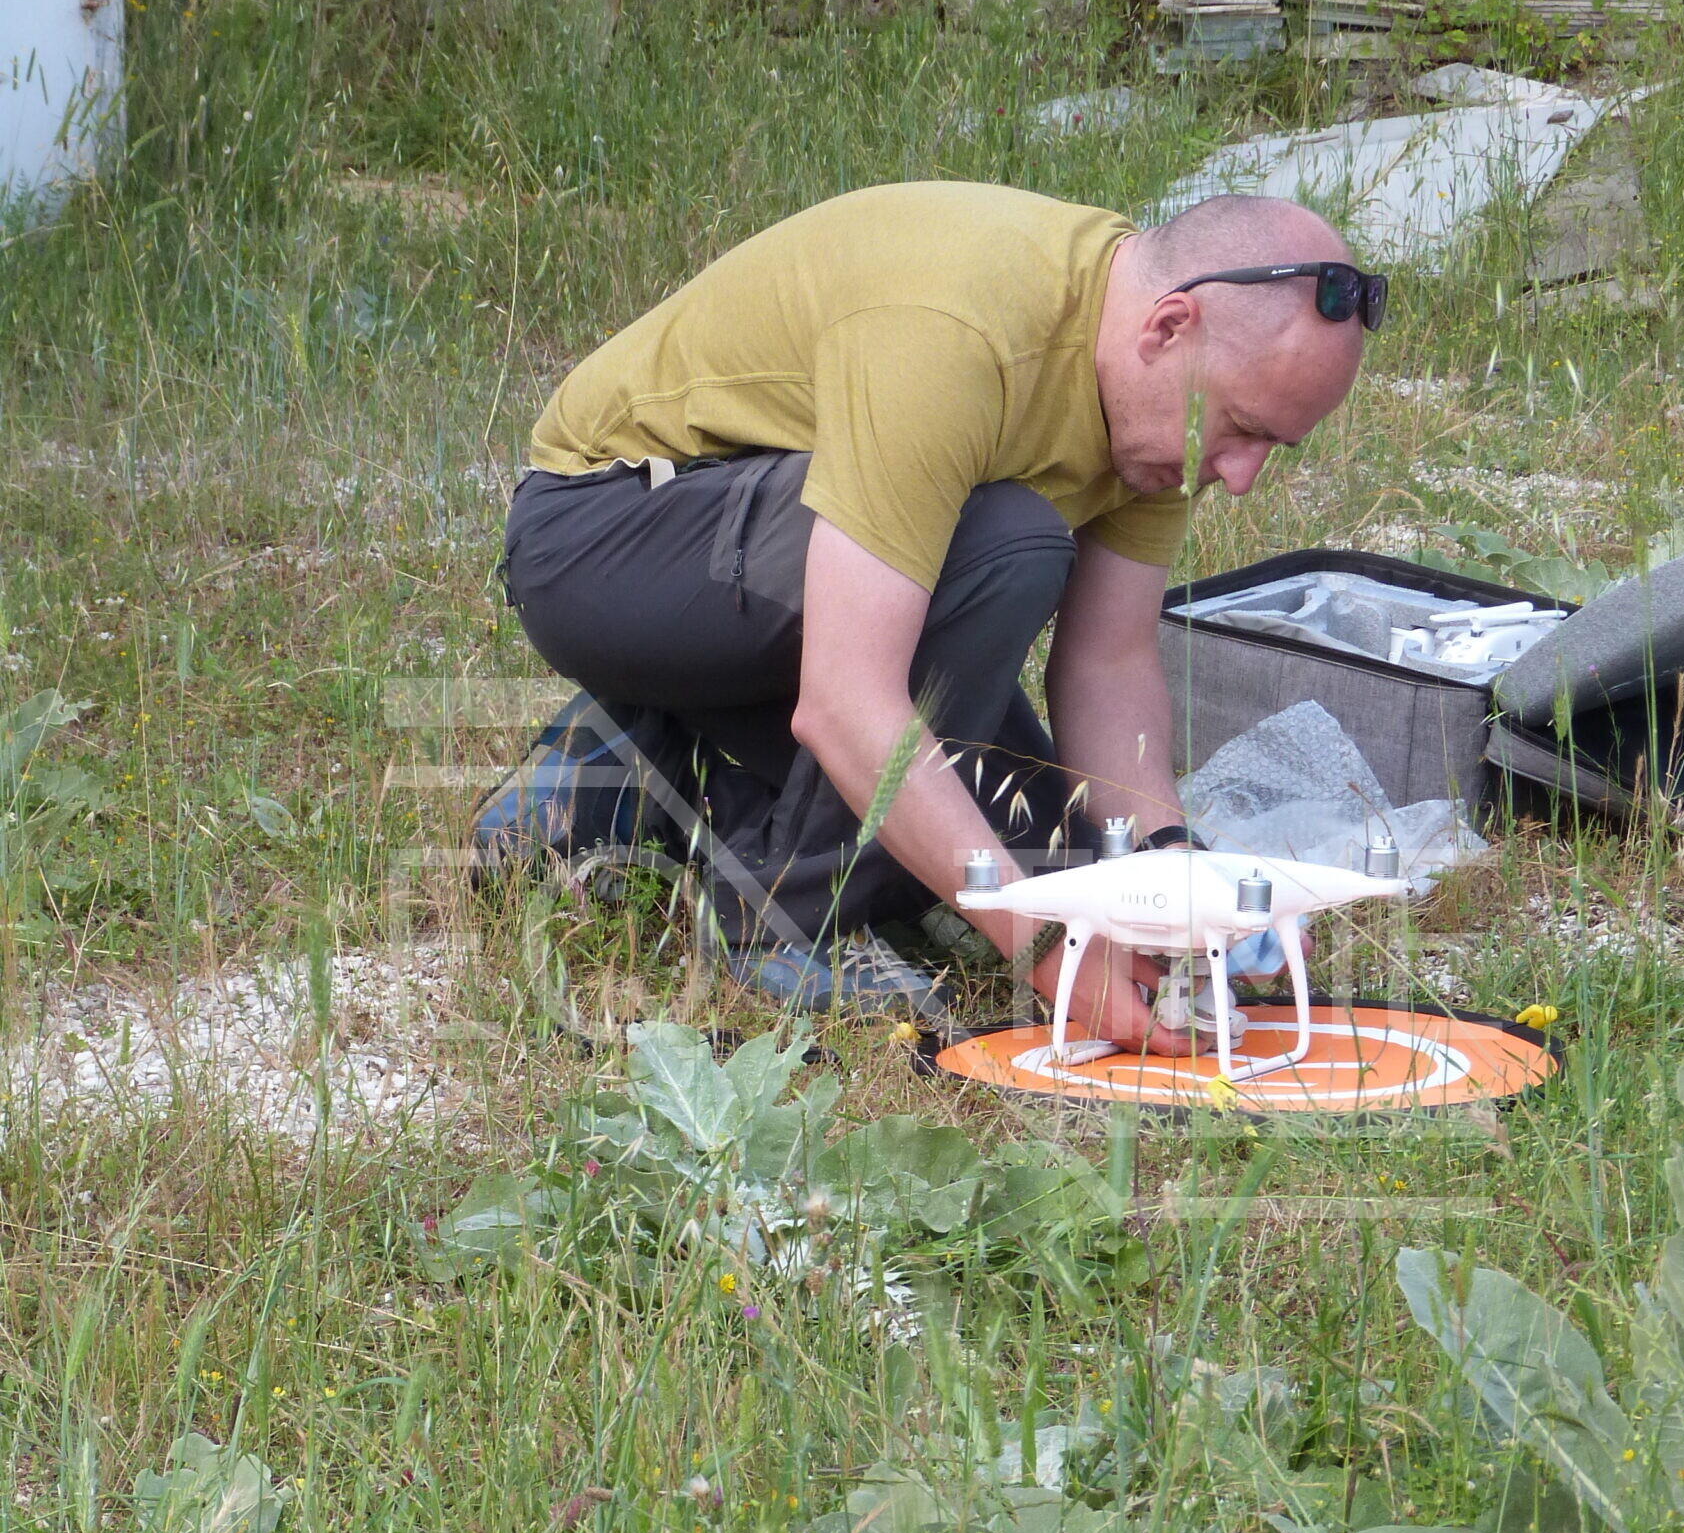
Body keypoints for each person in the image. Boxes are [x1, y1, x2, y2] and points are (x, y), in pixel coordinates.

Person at [475, 180, 1379, 1050]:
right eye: (1247, 429)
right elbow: (846, 696)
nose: (1243, 474)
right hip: (600, 536)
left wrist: (1171, 866)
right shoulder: (963, 330)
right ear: (1169, 327)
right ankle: (782, 919)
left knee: (1054, 859)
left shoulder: (1159, 410)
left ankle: (634, 757)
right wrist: (1045, 954)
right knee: (1009, 547)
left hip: (754, 563)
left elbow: (1108, 664)